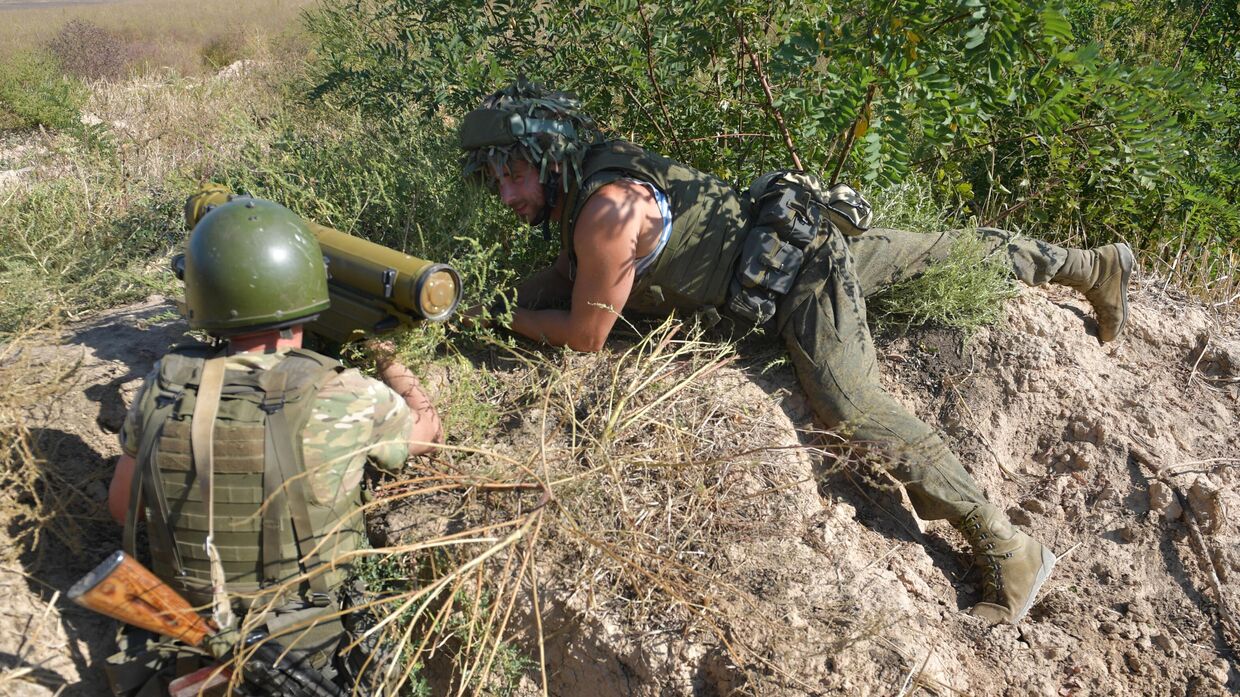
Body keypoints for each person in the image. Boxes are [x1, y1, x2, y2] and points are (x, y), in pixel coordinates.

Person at [458, 80, 1134, 625]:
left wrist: (499, 314)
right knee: (937, 253)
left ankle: (1007, 547)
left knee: (853, 406)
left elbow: (586, 334)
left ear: (550, 153)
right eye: (497, 181)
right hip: (781, 244)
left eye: (516, 173)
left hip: (798, 278)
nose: (510, 195)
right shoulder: (599, 166)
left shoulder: (605, 214)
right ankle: (1090, 265)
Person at [104, 196, 443, 695]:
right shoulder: (344, 395)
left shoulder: (164, 386)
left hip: (190, 641)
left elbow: (121, 509)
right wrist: (384, 353)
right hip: (305, 653)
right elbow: (429, 433)